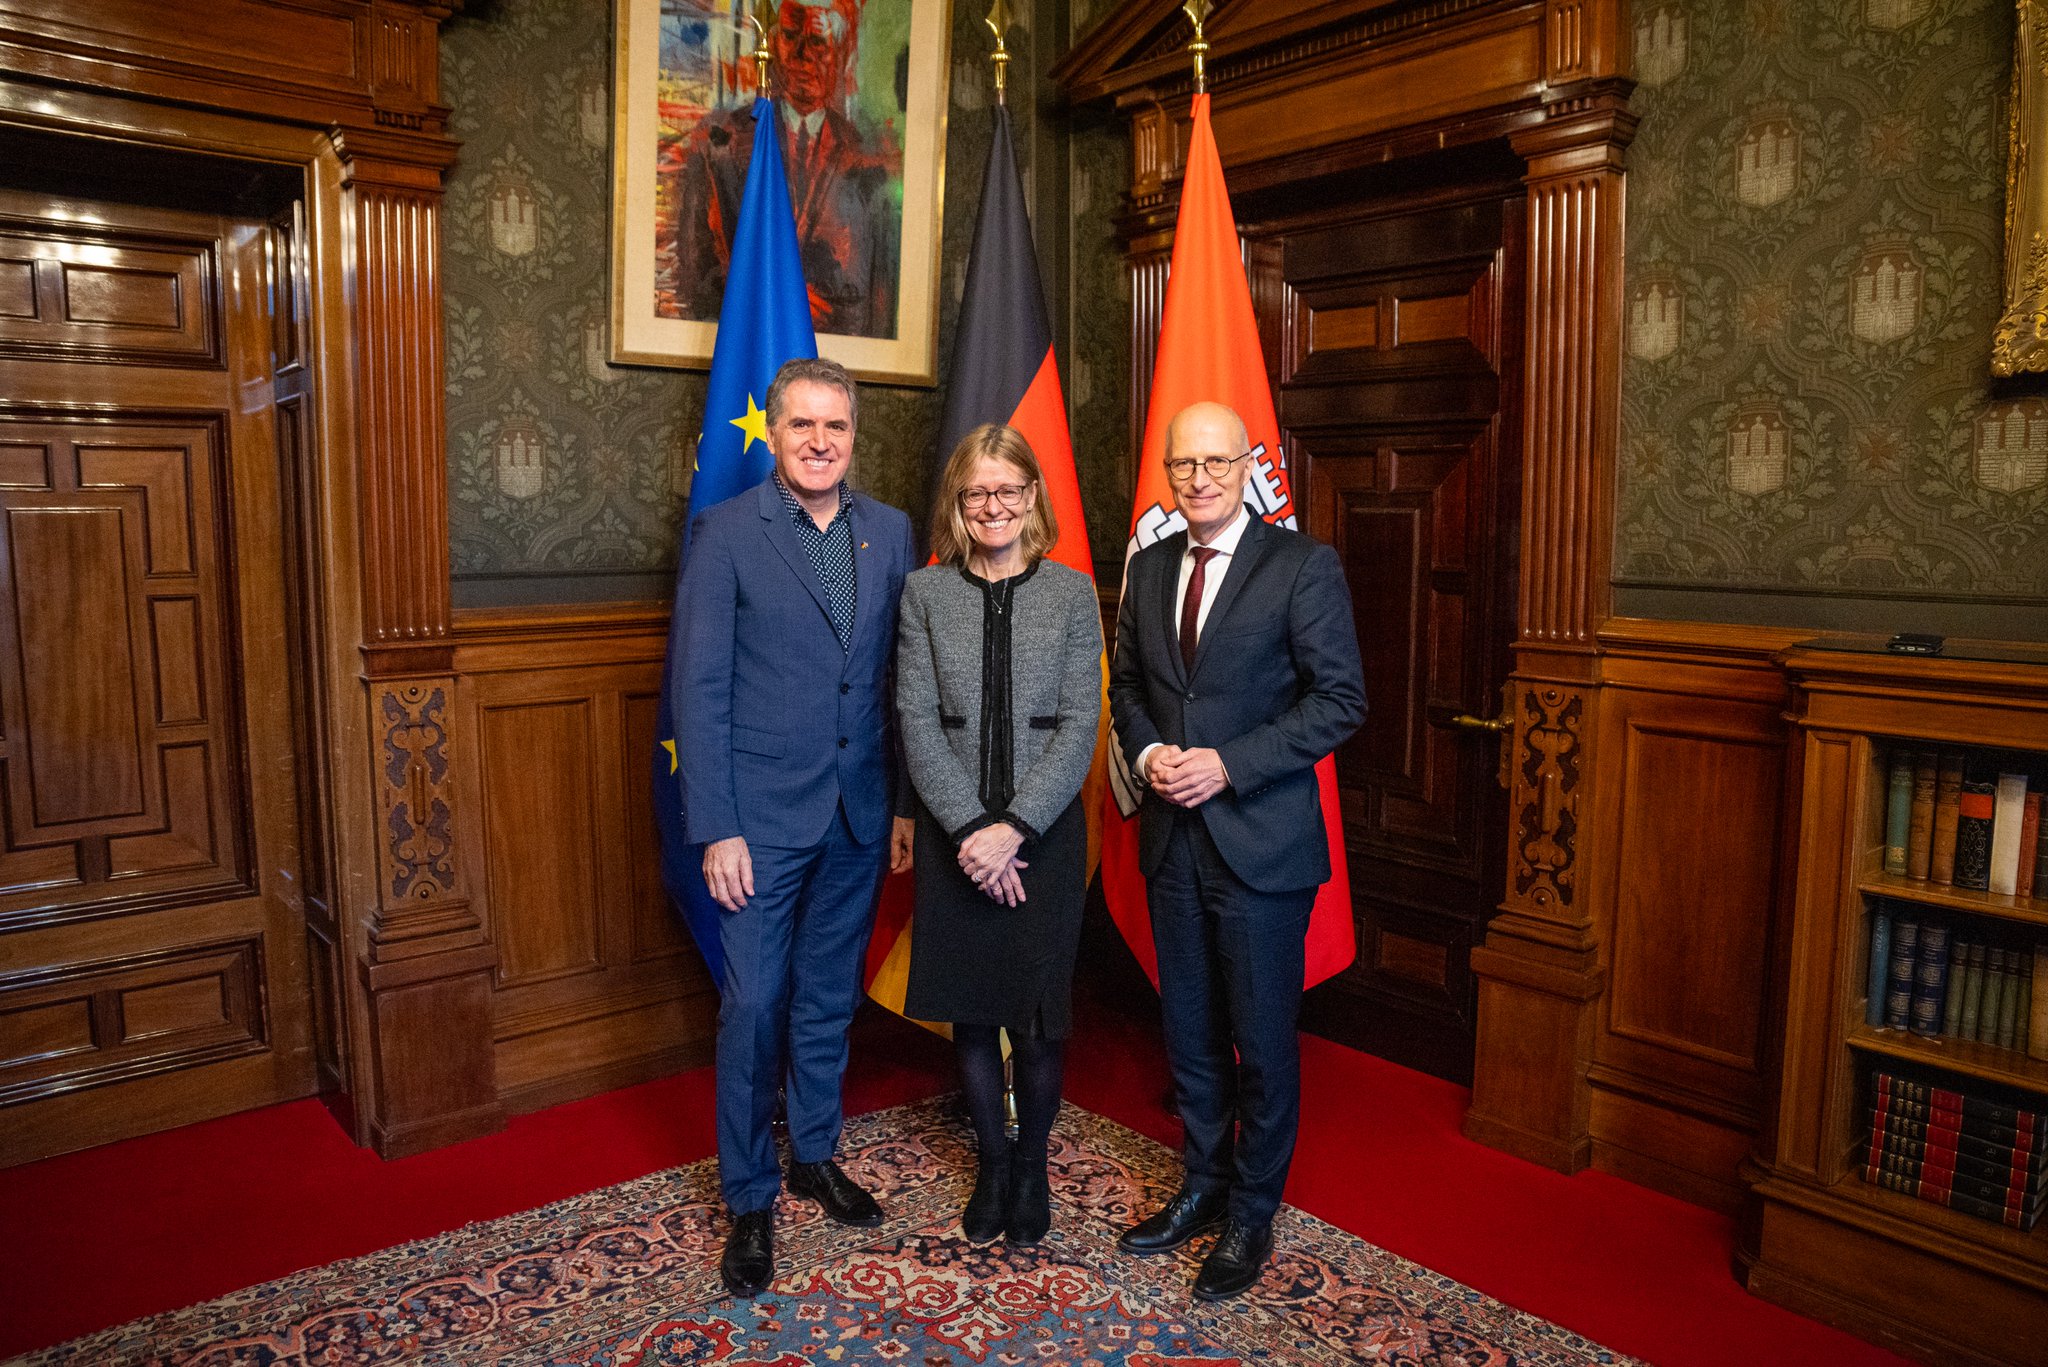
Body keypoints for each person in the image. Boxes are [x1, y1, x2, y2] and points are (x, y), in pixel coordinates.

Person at [1107, 401, 1366, 1301]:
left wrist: (1229, 764)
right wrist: (1146, 754)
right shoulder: (1148, 569)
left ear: (1250, 464)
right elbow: (1132, 685)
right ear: (1170, 474)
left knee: (1261, 1037)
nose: (1199, 479)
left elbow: (1340, 701)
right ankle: (1203, 1187)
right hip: (1172, 841)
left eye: (1217, 462)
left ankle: (1252, 1212)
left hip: (1261, 845)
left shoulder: (1301, 566)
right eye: (1184, 466)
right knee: (1188, 1032)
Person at [670, 355, 916, 1298]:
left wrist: (898, 803)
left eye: (837, 427)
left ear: (856, 436)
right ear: (774, 434)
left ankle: (813, 1149)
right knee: (755, 1003)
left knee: (825, 996)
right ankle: (748, 1196)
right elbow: (700, 688)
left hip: (858, 809)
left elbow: (896, 683)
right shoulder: (728, 532)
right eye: (803, 426)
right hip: (759, 821)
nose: (820, 442)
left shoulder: (889, 532)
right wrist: (717, 827)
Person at [895, 424, 1102, 1245]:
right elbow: (915, 718)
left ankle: (1033, 1164)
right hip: (954, 841)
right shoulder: (924, 594)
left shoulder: (1074, 592)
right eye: (978, 491)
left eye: (1009, 490)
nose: (993, 505)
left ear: (1032, 498)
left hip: (1043, 839)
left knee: (1039, 1016)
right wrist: (973, 830)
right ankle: (990, 1159)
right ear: (958, 501)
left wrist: (1013, 828)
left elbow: (1082, 723)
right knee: (976, 1014)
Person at [663, 0, 900, 337]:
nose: (803, 56)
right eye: (790, 37)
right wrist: (775, 300)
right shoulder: (720, 142)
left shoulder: (866, 156)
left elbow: (877, 294)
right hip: (744, 344)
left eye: (818, 43)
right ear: (772, 45)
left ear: (842, 52)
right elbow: (694, 272)